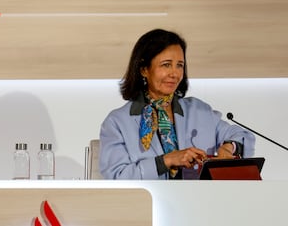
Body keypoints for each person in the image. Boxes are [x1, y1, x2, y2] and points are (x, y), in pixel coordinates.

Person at [99, 28, 255, 180]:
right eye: (166, 65)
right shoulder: (117, 122)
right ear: (144, 69)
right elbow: (117, 177)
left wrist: (229, 147)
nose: (174, 74)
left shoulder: (199, 110)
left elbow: (242, 136)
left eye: (179, 65)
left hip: (201, 202)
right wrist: (166, 161)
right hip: (149, 204)